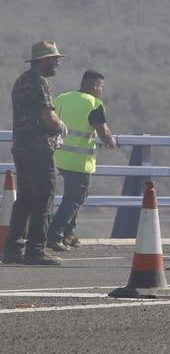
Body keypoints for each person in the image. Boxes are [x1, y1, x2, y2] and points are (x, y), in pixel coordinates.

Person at [3, 41, 67, 266]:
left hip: (21, 147)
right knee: (43, 197)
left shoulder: (21, 81)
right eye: (54, 59)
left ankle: (13, 248)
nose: (57, 63)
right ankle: (36, 250)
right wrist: (61, 126)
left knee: (25, 198)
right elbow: (47, 118)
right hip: (39, 148)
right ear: (44, 60)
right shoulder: (39, 83)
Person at [46, 69, 118, 251]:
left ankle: (69, 234)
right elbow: (103, 133)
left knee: (74, 197)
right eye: (101, 86)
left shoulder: (63, 98)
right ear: (94, 85)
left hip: (59, 156)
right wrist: (111, 141)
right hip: (79, 161)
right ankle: (54, 235)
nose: (101, 90)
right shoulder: (94, 103)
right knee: (74, 199)